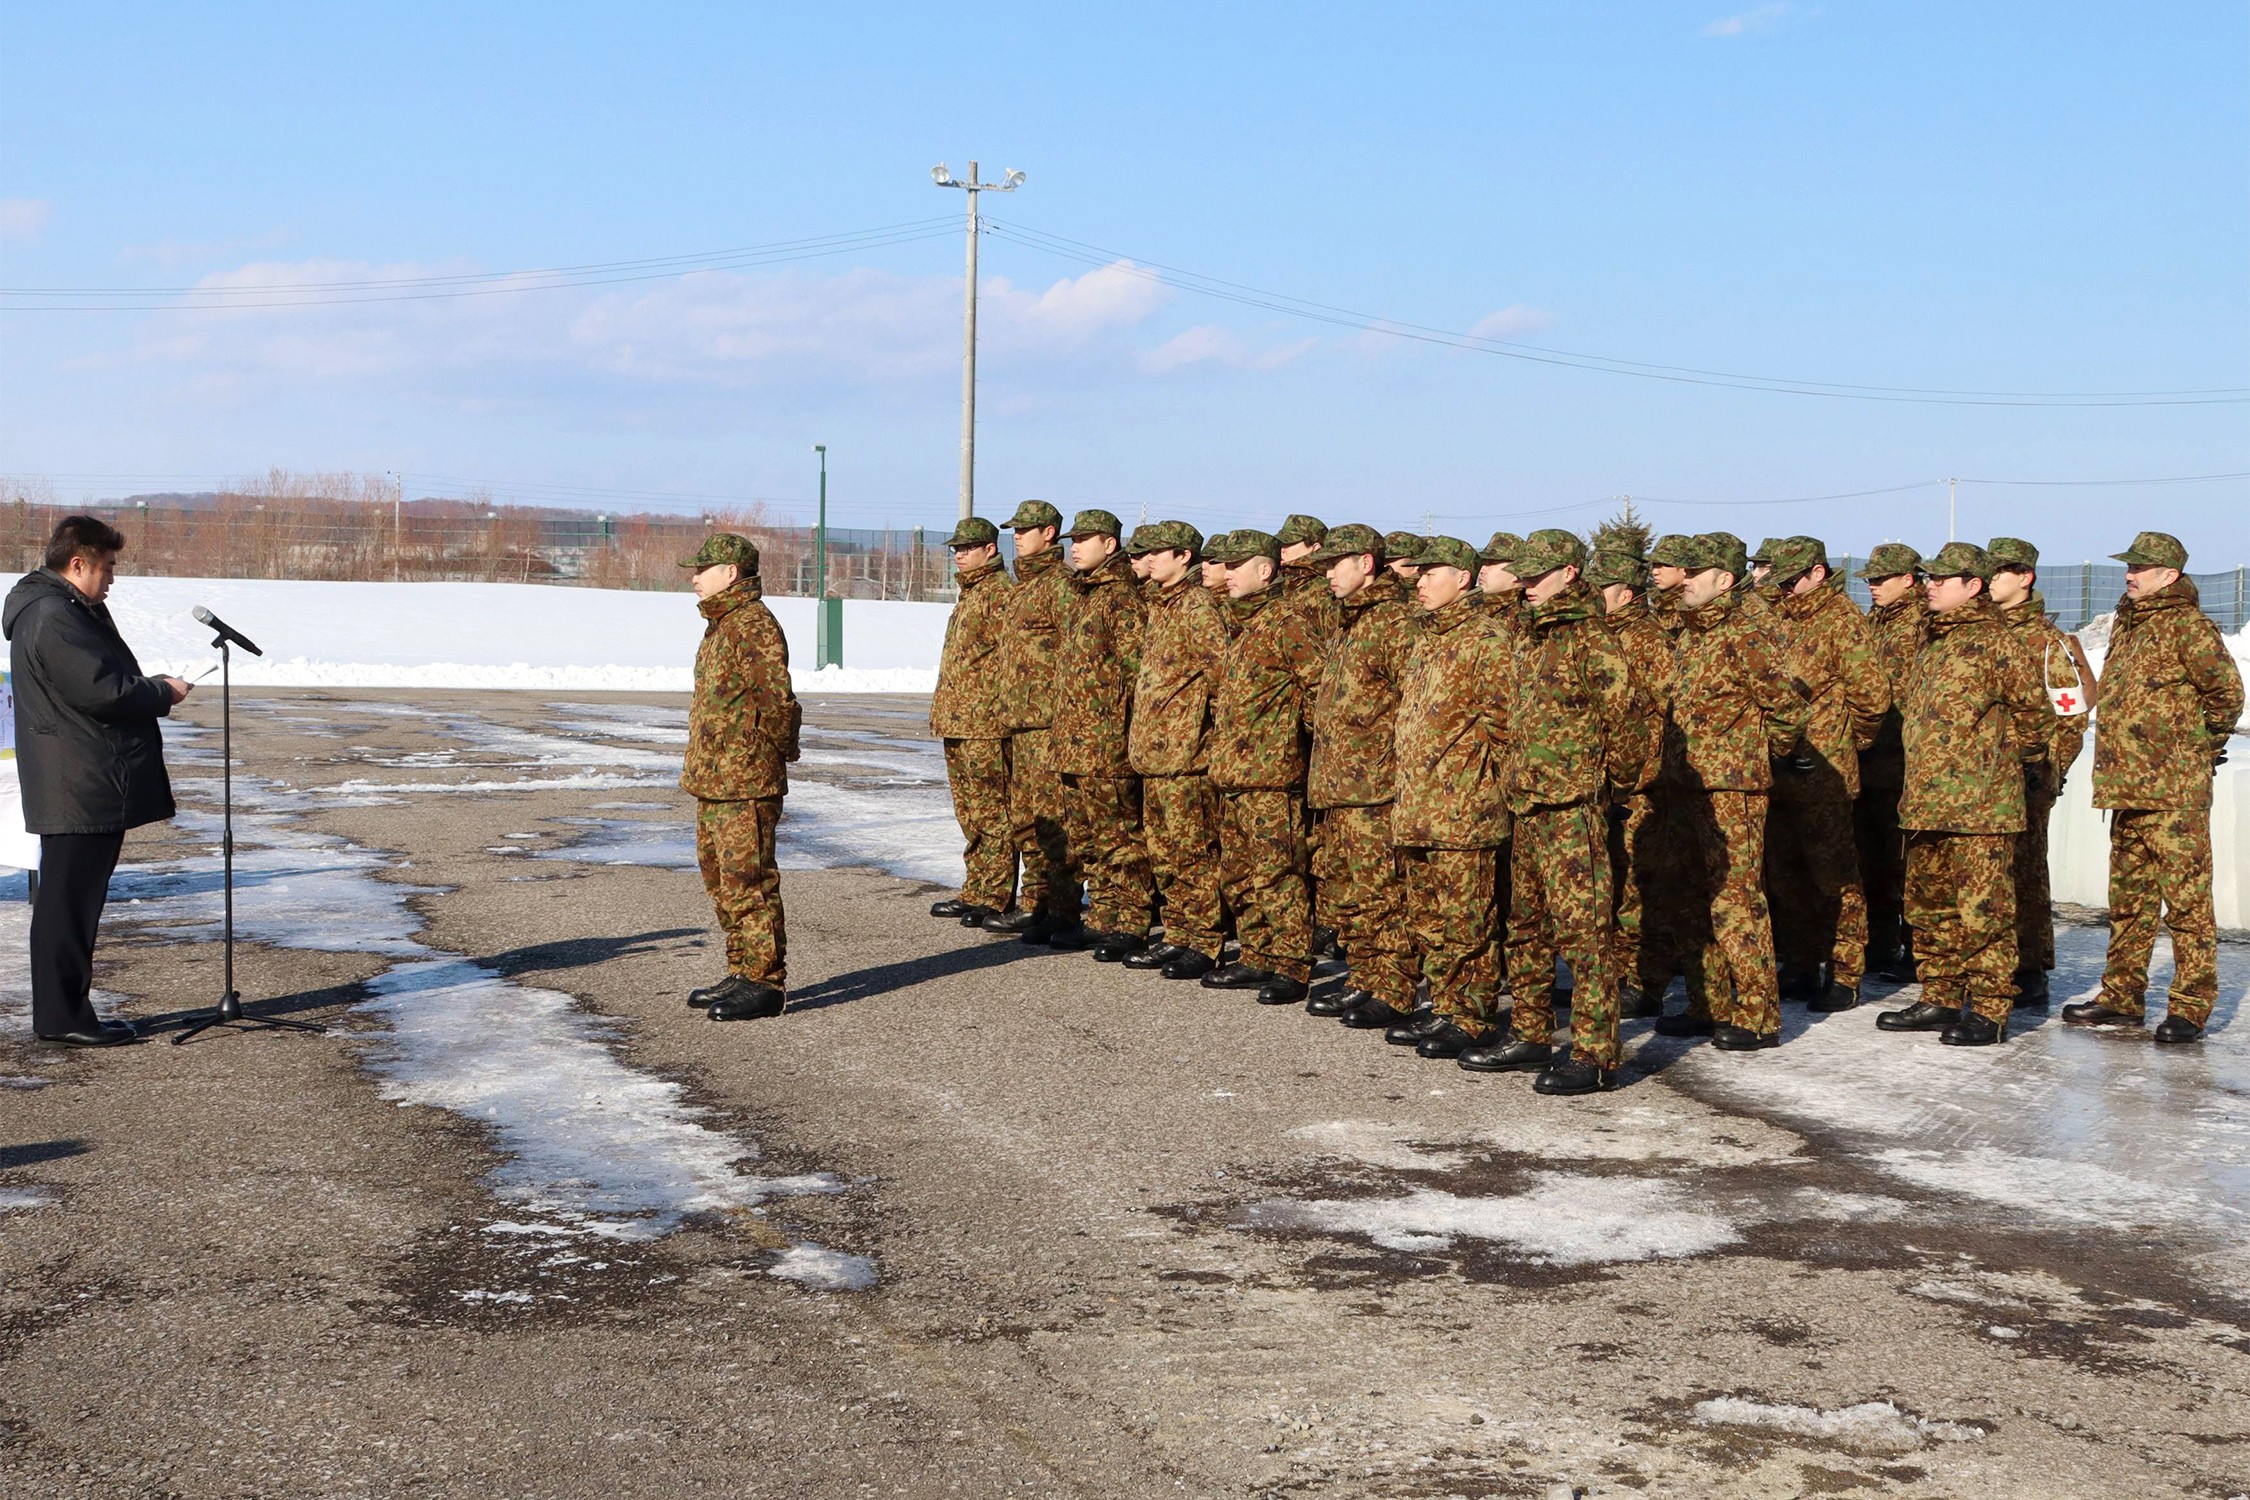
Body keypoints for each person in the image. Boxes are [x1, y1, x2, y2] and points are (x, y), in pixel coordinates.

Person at [1473, 530, 1652, 1095]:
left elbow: (1629, 724)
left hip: (1572, 806)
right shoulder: (1532, 636)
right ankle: (1529, 1031)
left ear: (1569, 574)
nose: (1524, 584)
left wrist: (1607, 785)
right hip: (1527, 802)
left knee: (1584, 932)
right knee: (1525, 926)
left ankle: (1597, 1053)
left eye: (1536, 574)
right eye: (1521, 574)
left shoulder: (1591, 640)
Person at [3, 516, 193, 1046]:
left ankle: (64, 1012)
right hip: (77, 783)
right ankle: (63, 1017)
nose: (112, 578)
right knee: (68, 904)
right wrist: (160, 693)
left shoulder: (62, 608)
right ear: (78, 561)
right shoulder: (51, 613)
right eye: (107, 567)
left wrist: (148, 687)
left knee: (71, 901)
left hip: (80, 778)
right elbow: (99, 690)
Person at [2065, 531, 2244, 1043]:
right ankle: (2122, 997)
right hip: (2126, 790)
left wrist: (2197, 750)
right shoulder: (2128, 623)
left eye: (2141, 568)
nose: (2130, 574)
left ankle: (2190, 1007)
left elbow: (2227, 695)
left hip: (2174, 794)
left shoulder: (2188, 627)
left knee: (2186, 906)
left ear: (2170, 575)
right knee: (2129, 902)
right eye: (2129, 566)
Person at [1875, 542, 2052, 1047]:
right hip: (1926, 803)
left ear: (1972, 587)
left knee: (1984, 911)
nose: (1930, 585)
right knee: (1930, 908)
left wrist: (1996, 763)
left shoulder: (1998, 644)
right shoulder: (1933, 643)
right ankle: (1941, 996)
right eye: (1929, 577)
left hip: (1980, 807)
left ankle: (1992, 1009)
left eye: (1942, 579)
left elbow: (2036, 718)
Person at [1654, 534, 1808, 1049]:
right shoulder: (1692, 633)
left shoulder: (1745, 632)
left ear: (1724, 579)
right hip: (1683, 784)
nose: (1685, 581)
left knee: (1736, 900)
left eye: (1695, 573)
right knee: (1687, 896)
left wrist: (1759, 756)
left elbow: (1788, 707)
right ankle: (1709, 1003)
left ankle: (1759, 1014)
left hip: (1731, 787)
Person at [1385, 537, 1514, 1061]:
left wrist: (1492, 793)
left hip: (1464, 809)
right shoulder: (1428, 638)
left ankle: (1474, 1017)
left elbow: (1508, 728)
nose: (1419, 581)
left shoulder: (1487, 639)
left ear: (1462, 578)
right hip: (1418, 807)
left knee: (1467, 922)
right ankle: (1445, 1004)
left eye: (1430, 573)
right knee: (1429, 918)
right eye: (1418, 573)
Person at [1762, 536, 1889, 1011]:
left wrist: (1842, 745)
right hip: (1778, 770)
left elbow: (1872, 698)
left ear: (1818, 573)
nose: (1786, 587)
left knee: (1833, 875)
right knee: (1785, 874)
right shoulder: (1778, 617)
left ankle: (1844, 972)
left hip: (1822, 774)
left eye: (1793, 579)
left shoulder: (1841, 621)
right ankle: (1798, 964)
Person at [677, 533, 800, 1021]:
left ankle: (766, 982)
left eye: (702, 569)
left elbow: (778, 702)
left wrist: (772, 755)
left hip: (746, 780)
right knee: (721, 880)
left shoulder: (753, 625)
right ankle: (742, 968)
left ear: (731, 572)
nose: (694, 577)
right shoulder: (721, 625)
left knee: (749, 880)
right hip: (716, 778)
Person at [1303, 524, 1420, 1026]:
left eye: (1336, 564)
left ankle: (1393, 988)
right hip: (1341, 784)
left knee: (1381, 893)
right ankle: (1366, 976)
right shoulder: (1352, 621)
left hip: (1377, 787)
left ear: (1366, 564)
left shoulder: (1394, 622)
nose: (1327, 573)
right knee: (1349, 892)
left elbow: (1412, 709)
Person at [1204, 530, 1325, 1003]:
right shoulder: (1241, 622)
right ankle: (1256, 953)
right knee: (1238, 872)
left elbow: (1318, 692)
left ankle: (1292, 965)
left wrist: (1294, 746)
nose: (1227, 574)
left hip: (1271, 776)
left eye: (1237, 566)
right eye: (1225, 566)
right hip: (1232, 773)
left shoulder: (1287, 623)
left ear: (1266, 570)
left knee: (1279, 872)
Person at [1985, 536, 2091, 1009]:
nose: (1988, 581)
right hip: (1977, 781)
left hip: (2026, 779)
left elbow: (2071, 715)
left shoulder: (2049, 643)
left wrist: (2047, 773)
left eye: (1997, 573)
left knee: (2024, 873)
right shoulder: (1979, 634)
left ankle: (2029, 966)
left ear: (2024, 577)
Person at [1124, 520, 1228, 981]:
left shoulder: (1197, 607)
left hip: (1185, 757)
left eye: (1157, 552)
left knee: (1192, 853)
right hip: (1155, 753)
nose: (1147, 560)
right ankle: (1179, 933)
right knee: (1165, 853)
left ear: (1184, 556)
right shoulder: (1162, 607)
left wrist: (1206, 736)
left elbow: (1222, 679)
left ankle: (1204, 940)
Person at [1051, 509, 1153, 958]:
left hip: (1105, 743)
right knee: (1090, 839)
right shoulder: (1085, 596)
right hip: (1075, 743)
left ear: (1110, 545)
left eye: (1086, 539)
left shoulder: (1121, 600)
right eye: (1073, 539)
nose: (1075, 546)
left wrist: (1123, 732)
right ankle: (1104, 916)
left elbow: (1137, 673)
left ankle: (1130, 921)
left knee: (1120, 839)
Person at [1586, 546, 1675, 1016]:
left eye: (1601, 588)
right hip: (1607, 781)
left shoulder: (1646, 637)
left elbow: (1666, 708)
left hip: (1641, 782)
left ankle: (1645, 981)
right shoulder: (1600, 635)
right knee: (1614, 882)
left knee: (1642, 885)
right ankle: (1617, 974)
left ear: (1626, 591)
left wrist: (1642, 767)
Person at [988, 500, 1079, 940]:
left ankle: (1062, 908)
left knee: (1055, 819)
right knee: (1028, 821)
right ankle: (1037, 901)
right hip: (1021, 723)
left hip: (1047, 724)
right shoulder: (1025, 587)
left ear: (1049, 534)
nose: (1017, 536)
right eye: (1015, 530)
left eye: (1025, 529)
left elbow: (1075, 655)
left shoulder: (1061, 586)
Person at [927, 516, 1018, 927]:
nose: (959, 555)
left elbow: (1011, 661)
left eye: (967, 548)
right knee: (969, 812)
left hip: (985, 723)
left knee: (992, 811)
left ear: (990, 550)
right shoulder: (971, 595)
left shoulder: (999, 594)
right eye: (956, 549)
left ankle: (996, 894)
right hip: (960, 720)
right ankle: (977, 886)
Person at [1853, 544, 1926, 981]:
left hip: (1903, 758)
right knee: (1873, 859)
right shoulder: (1875, 621)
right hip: (1870, 757)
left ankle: (1917, 949)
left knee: (1907, 863)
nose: (1873, 587)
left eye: (1882, 579)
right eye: (1870, 580)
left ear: (1908, 580)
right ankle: (1882, 944)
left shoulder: (1922, 624)